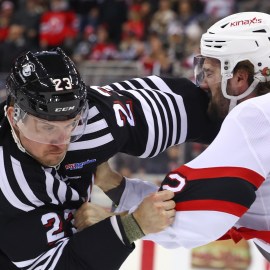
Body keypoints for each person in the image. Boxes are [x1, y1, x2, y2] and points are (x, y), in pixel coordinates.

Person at [75, 11, 270, 264]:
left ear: (240, 78)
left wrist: (122, 226)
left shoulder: (255, 115)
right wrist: (115, 184)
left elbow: (199, 216)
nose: (201, 84)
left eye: (209, 73)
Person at [0, 46, 221, 269]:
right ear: (13, 116)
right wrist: (129, 226)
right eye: (46, 128)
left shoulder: (98, 120)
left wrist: (247, 107)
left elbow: (190, 105)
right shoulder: (9, 185)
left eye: (71, 124)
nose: (60, 142)